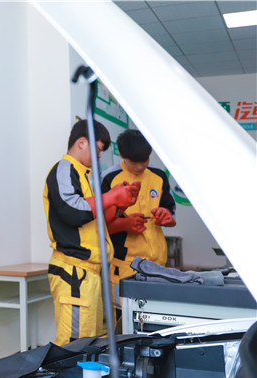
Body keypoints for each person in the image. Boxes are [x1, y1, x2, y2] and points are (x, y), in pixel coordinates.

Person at [43, 119, 139, 346]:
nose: (98, 156)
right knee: (74, 346)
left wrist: (119, 205)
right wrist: (111, 196)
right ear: (81, 143)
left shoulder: (82, 176)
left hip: (91, 273)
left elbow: (94, 222)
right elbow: (72, 210)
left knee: (93, 342)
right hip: (74, 272)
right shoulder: (64, 168)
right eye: (97, 149)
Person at [101, 129, 176, 302]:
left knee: (158, 313)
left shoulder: (159, 175)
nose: (140, 167)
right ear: (121, 155)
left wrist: (167, 217)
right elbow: (99, 226)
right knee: (125, 315)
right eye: (134, 162)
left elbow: (171, 217)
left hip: (158, 264)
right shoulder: (109, 178)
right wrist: (125, 224)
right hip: (125, 265)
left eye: (145, 160)